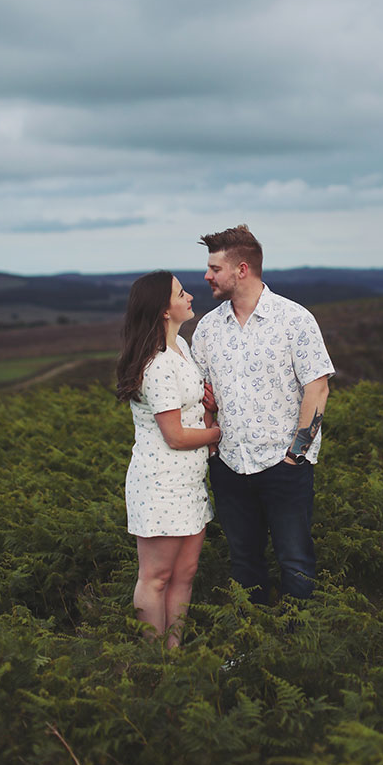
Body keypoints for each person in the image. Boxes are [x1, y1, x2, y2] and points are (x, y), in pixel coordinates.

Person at [191, 225, 335, 604]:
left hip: (284, 466)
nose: (207, 276)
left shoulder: (294, 319)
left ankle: (298, 651)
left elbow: (317, 388)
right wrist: (213, 454)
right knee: (243, 564)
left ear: (242, 269)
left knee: (296, 562)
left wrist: (295, 455)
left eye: (214, 268)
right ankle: (250, 651)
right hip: (230, 468)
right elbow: (202, 399)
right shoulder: (207, 329)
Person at [116, 271, 221, 648]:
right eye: (181, 292)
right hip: (161, 484)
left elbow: (187, 412)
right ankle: (152, 660)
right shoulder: (157, 364)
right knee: (156, 577)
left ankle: (172, 656)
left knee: (185, 573)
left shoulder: (181, 348)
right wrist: (220, 434)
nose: (190, 295)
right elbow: (175, 436)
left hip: (188, 482)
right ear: (164, 310)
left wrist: (207, 407)